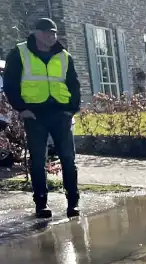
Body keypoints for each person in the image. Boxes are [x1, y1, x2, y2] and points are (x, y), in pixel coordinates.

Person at [2, 18, 82, 218]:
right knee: (37, 161)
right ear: (36, 33)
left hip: (60, 113)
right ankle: (41, 205)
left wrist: (71, 110)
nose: (52, 36)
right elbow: (10, 83)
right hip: (34, 114)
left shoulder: (64, 56)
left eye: (54, 33)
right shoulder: (19, 53)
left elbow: (74, 84)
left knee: (68, 159)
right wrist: (21, 108)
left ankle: (73, 203)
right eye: (47, 32)